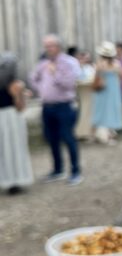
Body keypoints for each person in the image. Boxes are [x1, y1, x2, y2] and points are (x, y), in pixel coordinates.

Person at [30, 34, 83, 186]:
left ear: (58, 46)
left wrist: (56, 74)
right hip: (47, 106)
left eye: (50, 46)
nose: (48, 49)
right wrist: (41, 88)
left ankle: (75, 172)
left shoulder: (68, 62)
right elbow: (33, 77)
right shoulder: (43, 63)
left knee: (68, 138)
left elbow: (70, 84)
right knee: (52, 139)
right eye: (46, 46)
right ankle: (58, 170)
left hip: (64, 106)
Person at [0, 53, 34, 194]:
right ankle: (15, 180)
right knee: (15, 148)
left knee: (3, 150)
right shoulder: (16, 84)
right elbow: (20, 107)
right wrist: (21, 95)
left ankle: (5, 179)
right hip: (12, 117)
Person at [92, 42, 122, 144]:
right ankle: (108, 133)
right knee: (111, 109)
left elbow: (96, 75)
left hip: (103, 89)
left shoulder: (100, 64)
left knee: (101, 110)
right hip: (113, 89)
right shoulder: (117, 64)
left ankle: (102, 134)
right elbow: (120, 76)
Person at [75, 52, 95, 140]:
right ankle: (81, 132)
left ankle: (88, 131)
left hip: (89, 92)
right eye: (82, 59)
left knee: (88, 111)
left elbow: (93, 78)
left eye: (85, 58)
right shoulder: (76, 68)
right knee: (82, 111)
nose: (84, 60)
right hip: (81, 92)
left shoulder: (90, 68)